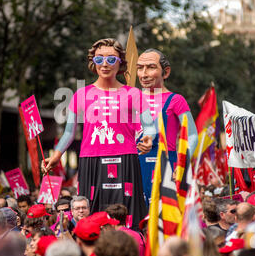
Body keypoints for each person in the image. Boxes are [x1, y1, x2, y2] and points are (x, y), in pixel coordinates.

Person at [42, 38, 156, 230]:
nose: (105, 64)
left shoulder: (133, 94)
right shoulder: (80, 95)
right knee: (90, 216)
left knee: (127, 215)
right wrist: (55, 155)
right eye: (99, 59)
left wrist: (149, 138)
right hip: (91, 161)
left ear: (120, 62)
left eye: (111, 59)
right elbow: (69, 133)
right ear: (92, 62)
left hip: (126, 159)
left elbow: (150, 126)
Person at [135, 48, 198, 207]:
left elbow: (192, 136)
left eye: (151, 67)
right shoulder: (130, 99)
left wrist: (182, 164)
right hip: (134, 165)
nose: (144, 73)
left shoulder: (176, 100)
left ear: (166, 72)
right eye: (140, 68)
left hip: (167, 165)